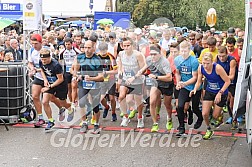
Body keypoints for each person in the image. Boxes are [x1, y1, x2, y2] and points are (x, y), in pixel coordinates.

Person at [190, 52, 230, 140]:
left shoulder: (218, 68)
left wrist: (220, 93)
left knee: (215, 116)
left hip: (221, 92)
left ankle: (219, 114)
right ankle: (209, 129)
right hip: (210, 91)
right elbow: (199, 81)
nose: (205, 65)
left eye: (207, 63)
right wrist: (195, 89)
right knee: (204, 113)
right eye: (203, 63)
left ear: (212, 62)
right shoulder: (201, 67)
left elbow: (228, 81)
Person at [73, 40, 104, 134]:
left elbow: (101, 77)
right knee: (81, 103)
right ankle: (84, 123)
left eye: (89, 48)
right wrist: (77, 76)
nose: (87, 50)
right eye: (85, 47)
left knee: (95, 107)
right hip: (83, 84)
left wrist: (91, 78)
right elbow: (75, 70)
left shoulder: (97, 59)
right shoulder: (79, 57)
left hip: (95, 84)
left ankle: (96, 124)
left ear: (93, 48)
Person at [174, 41, 203, 137]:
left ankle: (200, 118)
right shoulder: (177, 60)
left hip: (194, 87)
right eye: (181, 51)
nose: (183, 53)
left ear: (189, 50)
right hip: (184, 86)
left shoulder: (194, 61)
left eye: (185, 51)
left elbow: (195, 77)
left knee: (195, 108)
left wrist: (184, 83)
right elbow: (177, 73)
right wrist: (178, 82)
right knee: (180, 106)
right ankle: (181, 126)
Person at [142, 44, 173, 132]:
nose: (152, 56)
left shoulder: (164, 62)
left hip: (166, 83)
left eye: (154, 54)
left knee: (167, 104)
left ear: (159, 53)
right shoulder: (149, 59)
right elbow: (145, 67)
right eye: (151, 54)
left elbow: (169, 77)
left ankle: (169, 118)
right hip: (156, 83)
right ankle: (155, 124)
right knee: (152, 102)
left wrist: (156, 77)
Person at [39, 48, 71, 132]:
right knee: (45, 101)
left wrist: (49, 87)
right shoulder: (41, 62)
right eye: (42, 59)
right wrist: (45, 80)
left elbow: (60, 79)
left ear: (50, 57)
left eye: (45, 59)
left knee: (63, 103)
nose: (43, 61)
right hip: (50, 83)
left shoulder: (56, 65)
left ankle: (70, 109)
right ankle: (50, 120)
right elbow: (41, 70)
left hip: (60, 84)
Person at [117, 37, 146, 128]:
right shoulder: (121, 54)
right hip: (126, 79)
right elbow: (120, 66)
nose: (126, 47)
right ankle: (125, 117)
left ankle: (140, 117)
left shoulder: (138, 55)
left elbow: (143, 68)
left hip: (137, 80)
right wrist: (120, 75)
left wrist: (134, 77)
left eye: (128, 45)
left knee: (138, 102)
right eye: (124, 46)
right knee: (121, 97)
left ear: (132, 45)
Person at [98, 42, 118, 121]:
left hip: (111, 79)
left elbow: (116, 70)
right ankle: (106, 107)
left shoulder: (111, 56)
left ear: (107, 49)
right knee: (100, 98)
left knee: (112, 98)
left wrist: (106, 72)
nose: (103, 52)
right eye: (101, 50)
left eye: (104, 50)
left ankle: (113, 113)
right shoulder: (96, 57)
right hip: (101, 80)